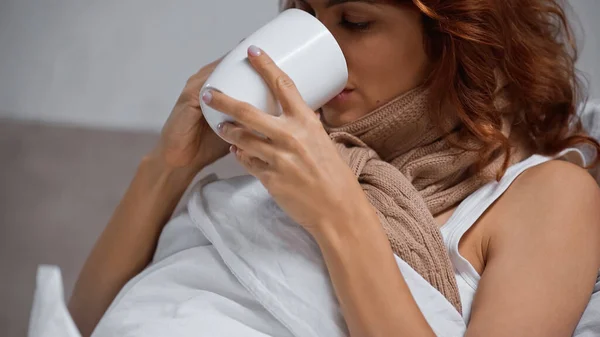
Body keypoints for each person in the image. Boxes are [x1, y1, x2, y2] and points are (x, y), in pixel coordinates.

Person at [68, 0, 600, 336]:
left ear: (452, 40)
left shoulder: (549, 195)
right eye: (305, 14)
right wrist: (168, 167)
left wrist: (339, 215)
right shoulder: (283, 168)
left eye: (354, 21)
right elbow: (82, 325)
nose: (324, 43)